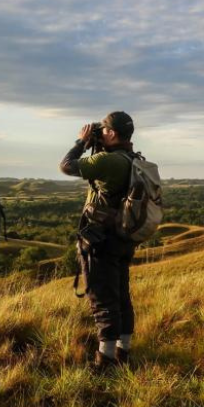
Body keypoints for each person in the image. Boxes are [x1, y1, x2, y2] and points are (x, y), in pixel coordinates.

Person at [59, 111, 137, 371]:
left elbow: (67, 165)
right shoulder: (131, 158)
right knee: (121, 296)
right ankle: (123, 352)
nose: (100, 133)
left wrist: (81, 142)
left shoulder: (109, 161)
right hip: (122, 237)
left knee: (103, 299)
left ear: (112, 133)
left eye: (103, 130)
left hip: (101, 239)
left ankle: (105, 360)